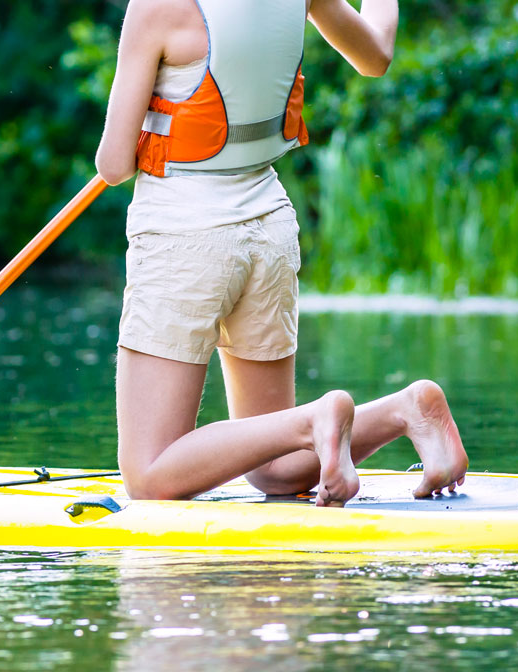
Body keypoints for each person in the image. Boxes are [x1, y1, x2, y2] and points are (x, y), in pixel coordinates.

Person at [94, 0, 467, 505]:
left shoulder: (158, 7)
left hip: (185, 236)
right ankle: (406, 411)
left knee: (148, 476)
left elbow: (114, 164)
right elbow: (374, 55)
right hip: (268, 229)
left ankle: (315, 417)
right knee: (277, 470)